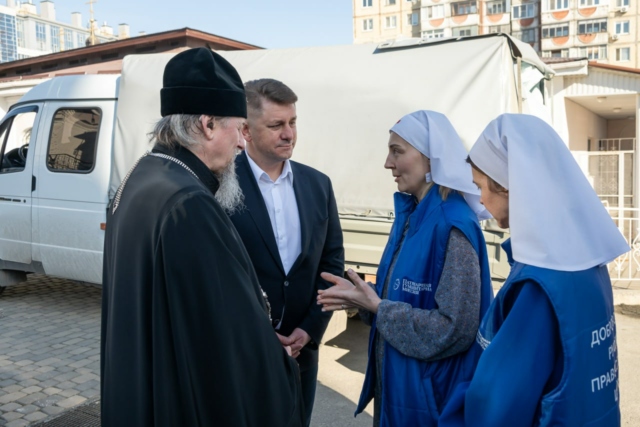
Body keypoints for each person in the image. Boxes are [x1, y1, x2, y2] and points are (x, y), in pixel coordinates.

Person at [101, 48, 305, 427]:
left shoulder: (143, 176)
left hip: (143, 385)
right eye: (238, 128)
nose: (242, 144)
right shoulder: (188, 203)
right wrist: (274, 361)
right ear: (208, 124)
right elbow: (221, 337)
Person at [439, 113, 630, 426]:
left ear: (507, 185)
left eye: (480, 187)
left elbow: (496, 404)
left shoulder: (539, 284)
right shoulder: (587, 259)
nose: (481, 201)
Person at [317, 110, 494, 427]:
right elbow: (397, 299)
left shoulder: (453, 225)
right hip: (403, 395)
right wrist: (363, 297)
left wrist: (377, 307)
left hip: (430, 405)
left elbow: (454, 329)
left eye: (397, 151)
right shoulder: (412, 216)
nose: (388, 163)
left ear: (431, 158)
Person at [228, 78, 344, 426]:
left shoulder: (318, 184)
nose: (289, 134)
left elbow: (331, 263)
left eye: (293, 122)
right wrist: (259, 336)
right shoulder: (219, 185)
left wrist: (309, 329)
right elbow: (218, 276)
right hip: (243, 355)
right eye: (276, 125)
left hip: (300, 353)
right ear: (246, 131)